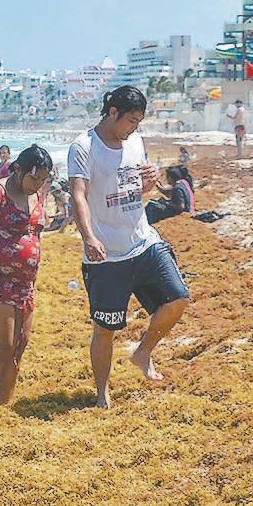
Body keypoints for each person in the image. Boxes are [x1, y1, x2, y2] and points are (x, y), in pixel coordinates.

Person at [70, 86, 192, 409]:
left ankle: (143, 352)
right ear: (113, 113)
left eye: (138, 122)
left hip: (143, 240)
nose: (134, 128)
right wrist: (88, 237)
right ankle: (102, 392)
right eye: (131, 121)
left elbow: (139, 190)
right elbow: (78, 195)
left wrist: (149, 182)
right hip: (106, 254)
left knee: (178, 298)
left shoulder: (135, 141)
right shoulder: (84, 147)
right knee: (105, 329)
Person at [0, 144, 52, 406]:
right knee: (1, 347)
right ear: (18, 169)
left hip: (25, 284)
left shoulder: (37, 194)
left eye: (43, 180)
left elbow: (35, 234)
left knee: (19, 346)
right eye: (34, 179)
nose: (38, 184)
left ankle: (4, 407)